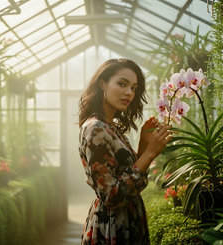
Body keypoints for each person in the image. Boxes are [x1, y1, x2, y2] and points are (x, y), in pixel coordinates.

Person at [78, 58, 173, 244]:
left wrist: (144, 145)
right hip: (112, 227)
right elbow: (112, 195)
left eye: (133, 88)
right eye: (122, 84)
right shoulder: (96, 128)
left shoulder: (109, 127)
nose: (129, 93)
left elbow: (128, 179)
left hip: (127, 221)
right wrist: (150, 153)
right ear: (103, 83)